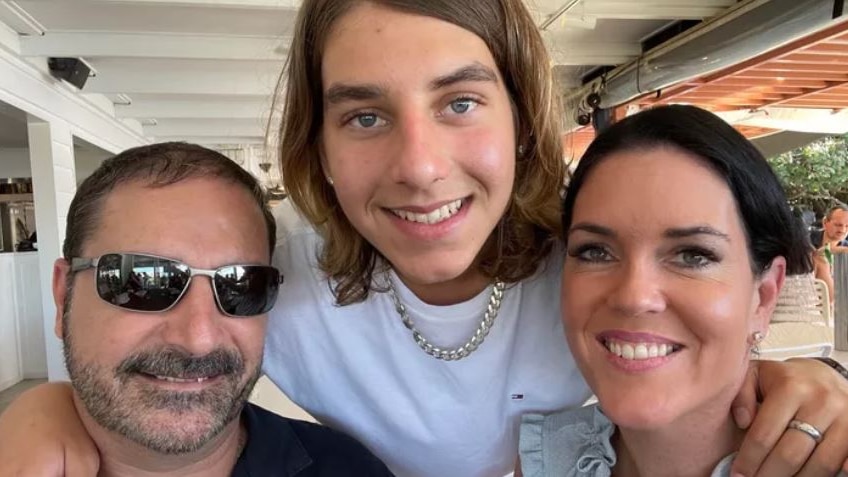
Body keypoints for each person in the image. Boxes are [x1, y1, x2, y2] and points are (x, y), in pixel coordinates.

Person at [3, 2, 848, 476]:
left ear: (523, 123)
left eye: (461, 102)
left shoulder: (588, 263)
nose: (418, 165)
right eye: (365, 115)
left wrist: (809, 375)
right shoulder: (264, 273)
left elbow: (682, 319)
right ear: (320, 151)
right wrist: (40, 406)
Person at [517, 104, 848, 476]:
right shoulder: (545, 458)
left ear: (765, 294)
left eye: (693, 256)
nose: (634, 296)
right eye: (595, 251)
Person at [44, 142, 393, 476]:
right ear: (63, 295)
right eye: (144, 281)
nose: (199, 339)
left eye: (242, 285)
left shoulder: (349, 469)